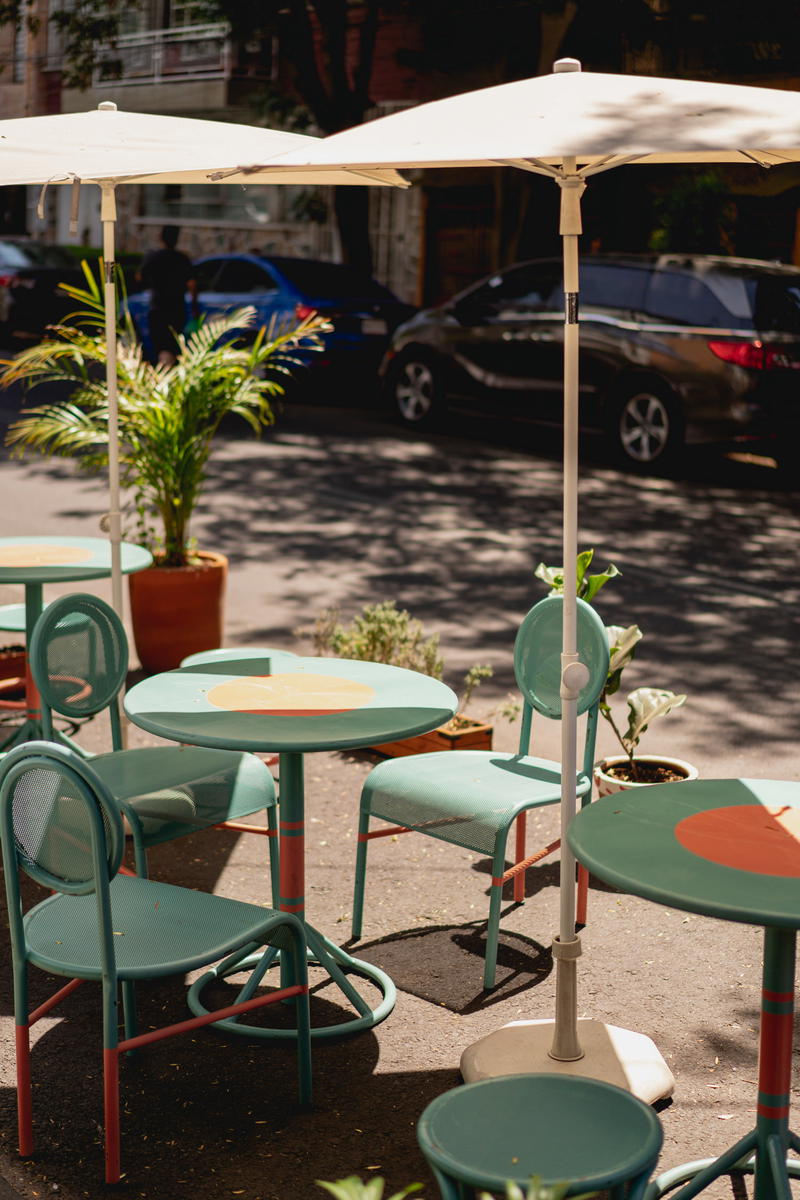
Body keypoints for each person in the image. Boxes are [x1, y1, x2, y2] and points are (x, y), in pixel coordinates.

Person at [139, 225, 198, 366]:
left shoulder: (153, 257)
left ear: (161, 238)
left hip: (158, 308)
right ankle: (168, 375)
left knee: (162, 345)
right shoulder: (182, 259)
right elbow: (192, 285)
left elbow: (140, 276)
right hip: (177, 308)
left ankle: (164, 376)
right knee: (172, 345)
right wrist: (195, 307)